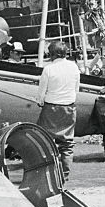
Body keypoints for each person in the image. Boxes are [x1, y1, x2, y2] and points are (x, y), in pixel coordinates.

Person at [36, 41, 80, 179]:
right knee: (67, 144)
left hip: (51, 108)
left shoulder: (48, 69)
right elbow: (76, 89)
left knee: (45, 141)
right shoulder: (74, 67)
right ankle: (65, 175)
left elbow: (41, 93)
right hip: (69, 107)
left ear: (52, 54)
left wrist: (40, 101)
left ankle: (48, 173)